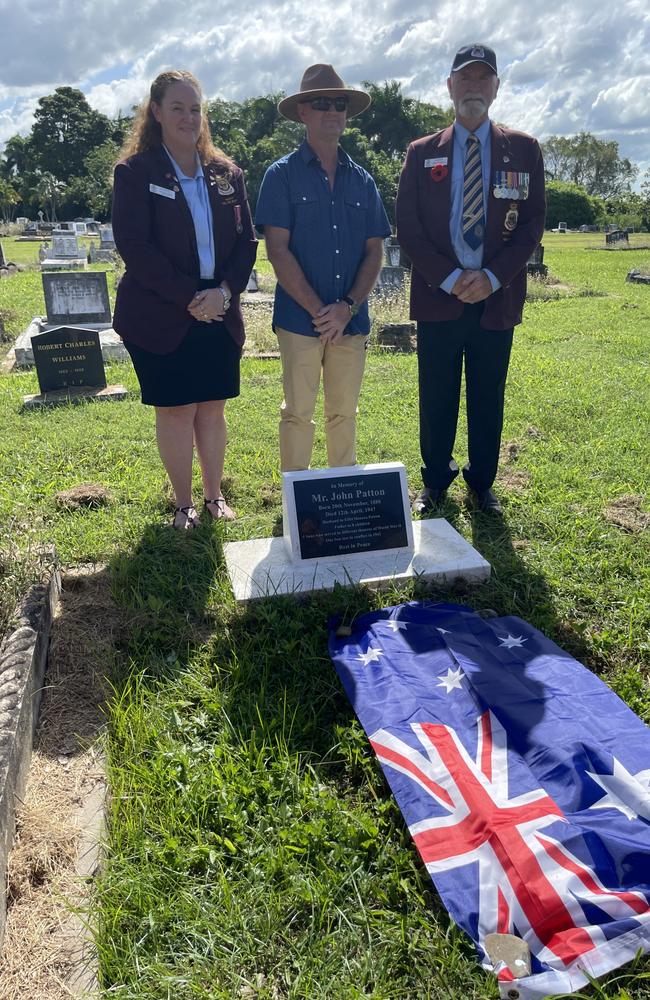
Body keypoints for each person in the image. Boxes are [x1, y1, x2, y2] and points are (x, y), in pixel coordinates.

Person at [396, 44, 545, 515]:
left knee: (488, 396)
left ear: (497, 87)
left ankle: (483, 484)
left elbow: (531, 226)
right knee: (436, 394)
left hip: (496, 300)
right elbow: (409, 227)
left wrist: (494, 277)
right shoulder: (422, 153)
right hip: (440, 297)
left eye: (484, 79)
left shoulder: (523, 149)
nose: (474, 87)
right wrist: (452, 277)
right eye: (466, 78)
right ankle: (435, 481)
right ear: (450, 87)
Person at [112, 70, 257, 529]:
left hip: (218, 309)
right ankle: (183, 505)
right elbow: (134, 246)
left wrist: (224, 292)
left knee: (212, 408)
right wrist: (191, 297)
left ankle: (214, 498)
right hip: (161, 313)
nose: (188, 117)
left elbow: (247, 243)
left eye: (195, 108)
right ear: (155, 112)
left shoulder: (226, 173)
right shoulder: (136, 173)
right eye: (177, 107)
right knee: (176, 410)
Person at [255, 64, 391, 472]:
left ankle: (341, 495)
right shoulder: (280, 176)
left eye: (338, 103)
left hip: (350, 320)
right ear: (303, 112)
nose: (331, 111)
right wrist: (320, 311)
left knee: (343, 414)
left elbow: (374, 251)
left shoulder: (363, 181)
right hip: (300, 319)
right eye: (320, 103)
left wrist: (346, 306)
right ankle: (297, 500)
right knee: (297, 413)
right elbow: (277, 250)